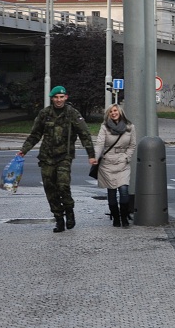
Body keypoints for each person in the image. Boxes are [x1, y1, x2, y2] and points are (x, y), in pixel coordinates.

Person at [19, 86, 97, 233]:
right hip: (46, 157)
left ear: (66, 97)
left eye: (61, 97)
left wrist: (91, 155)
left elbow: (84, 134)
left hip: (64, 156)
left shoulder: (72, 113)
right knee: (50, 189)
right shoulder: (45, 114)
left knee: (63, 185)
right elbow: (35, 134)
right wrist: (24, 150)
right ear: (52, 98)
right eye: (56, 97)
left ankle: (69, 211)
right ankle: (59, 218)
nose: (59, 100)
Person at [94, 104, 137, 227]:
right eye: (111, 111)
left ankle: (124, 217)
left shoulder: (130, 127)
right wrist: (95, 157)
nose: (113, 113)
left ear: (120, 112)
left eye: (115, 111)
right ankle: (116, 218)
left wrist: (127, 157)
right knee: (111, 192)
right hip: (107, 162)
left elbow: (132, 145)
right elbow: (100, 144)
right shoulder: (104, 127)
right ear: (108, 114)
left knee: (124, 190)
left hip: (122, 161)